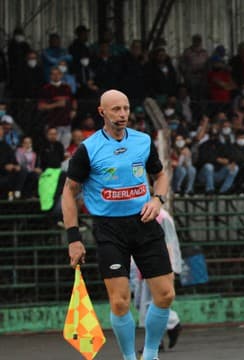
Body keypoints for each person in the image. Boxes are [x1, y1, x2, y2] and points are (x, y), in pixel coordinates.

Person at [62, 89, 174, 360]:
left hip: (144, 223)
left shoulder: (142, 141)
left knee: (166, 295)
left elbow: (161, 175)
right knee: (120, 301)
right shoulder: (88, 149)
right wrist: (74, 239)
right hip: (109, 229)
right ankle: (127, 357)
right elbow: (69, 192)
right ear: (102, 112)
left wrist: (158, 199)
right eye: (116, 109)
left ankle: (149, 354)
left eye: (125, 108)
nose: (123, 114)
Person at [130, 208, 183, 352]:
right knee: (142, 303)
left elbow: (170, 243)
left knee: (152, 303)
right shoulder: (134, 213)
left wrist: (171, 266)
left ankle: (169, 325)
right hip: (140, 265)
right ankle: (166, 330)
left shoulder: (161, 216)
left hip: (157, 265)